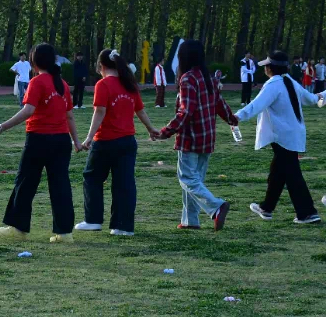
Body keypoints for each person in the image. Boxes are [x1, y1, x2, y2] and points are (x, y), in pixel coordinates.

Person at [0, 43, 82, 243]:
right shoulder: (62, 84)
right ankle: (64, 233)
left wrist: (2, 127)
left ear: (34, 62)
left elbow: (28, 111)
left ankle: (18, 228)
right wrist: (76, 141)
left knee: (25, 183)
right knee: (60, 185)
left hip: (39, 139)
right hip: (61, 141)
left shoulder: (37, 82)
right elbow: (70, 116)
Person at [154, 39, 240, 231]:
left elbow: (185, 112)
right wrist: (231, 119)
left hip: (190, 138)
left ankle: (216, 207)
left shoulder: (187, 79)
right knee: (195, 181)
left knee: (187, 179)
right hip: (207, 138)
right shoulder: (208, 78)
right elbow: (220, 104)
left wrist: (165, 132)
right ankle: (190, 220)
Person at [74, 50, 160, 237]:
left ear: (101, 66)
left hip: (105, 141)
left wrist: (89, 137)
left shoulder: (103, 84)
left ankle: (93, 220)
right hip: (128, 141)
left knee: (92, 178)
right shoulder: (129, 84)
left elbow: (100, 112)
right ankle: (123, 226)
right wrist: (150, 128)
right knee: (124, 183)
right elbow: (140, 110)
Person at [237, 51, 323, 224]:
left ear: (270, 68)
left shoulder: (273, 84)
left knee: (292, 173)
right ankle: (267, 208)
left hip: (281, 136)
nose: (265, 69)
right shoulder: (290, 81)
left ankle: (307, 213)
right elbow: (312, 99)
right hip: (293, 134)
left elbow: (256, 105)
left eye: (266, 66)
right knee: (278, 171)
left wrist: (236, 117)